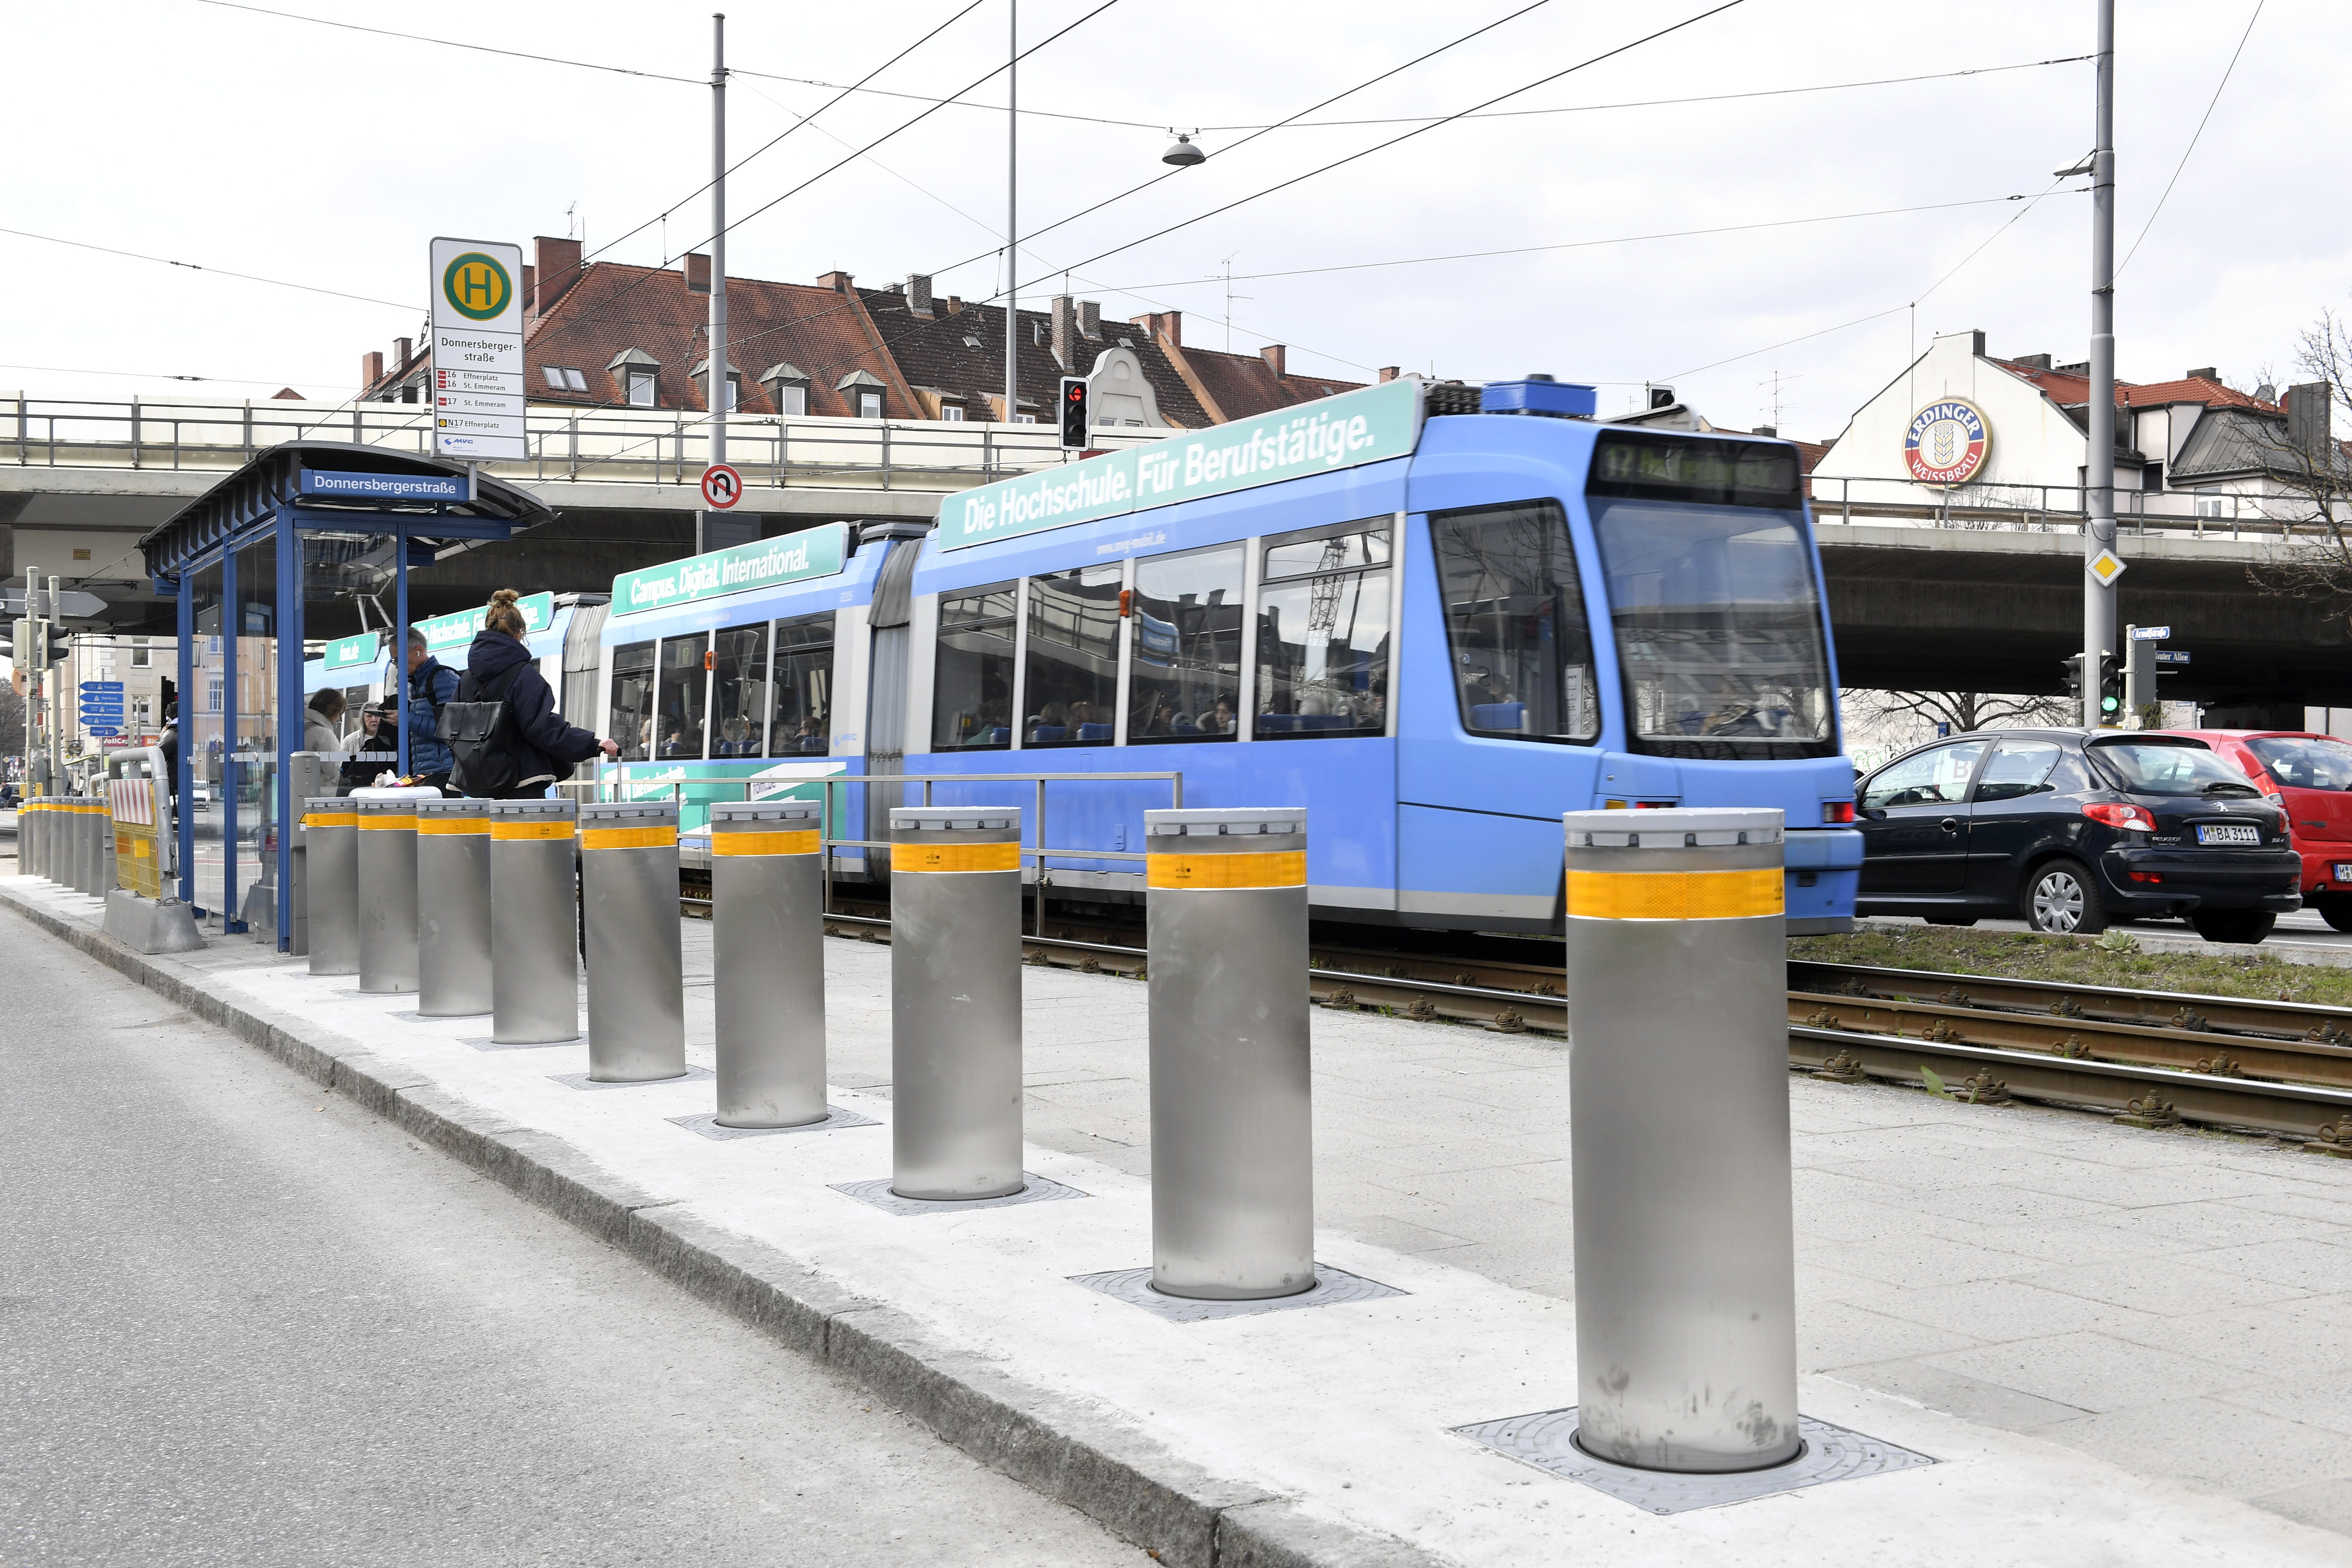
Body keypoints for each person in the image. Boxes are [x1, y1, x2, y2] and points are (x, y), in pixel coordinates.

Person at [460, 588, 618, 798]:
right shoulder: (524, 675)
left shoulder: (466, 679)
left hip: (477, 784)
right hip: (520, 783)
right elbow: (542, 728)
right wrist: (591, 744)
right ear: (519, 634)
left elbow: (453, 728)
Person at [405, 627, 460, 793]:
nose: (399, 665)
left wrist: (407, 720)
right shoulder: (417, 683)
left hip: (446, 772)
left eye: (400, 658)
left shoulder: (443, 678)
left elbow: (450, 729)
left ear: (419, 651)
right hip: (428, 772)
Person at [302, 689, 346, 754]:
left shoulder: (300, 725)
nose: (338, 719)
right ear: (331, 710)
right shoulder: (325, 734)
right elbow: (333, 760)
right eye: (339, 714)